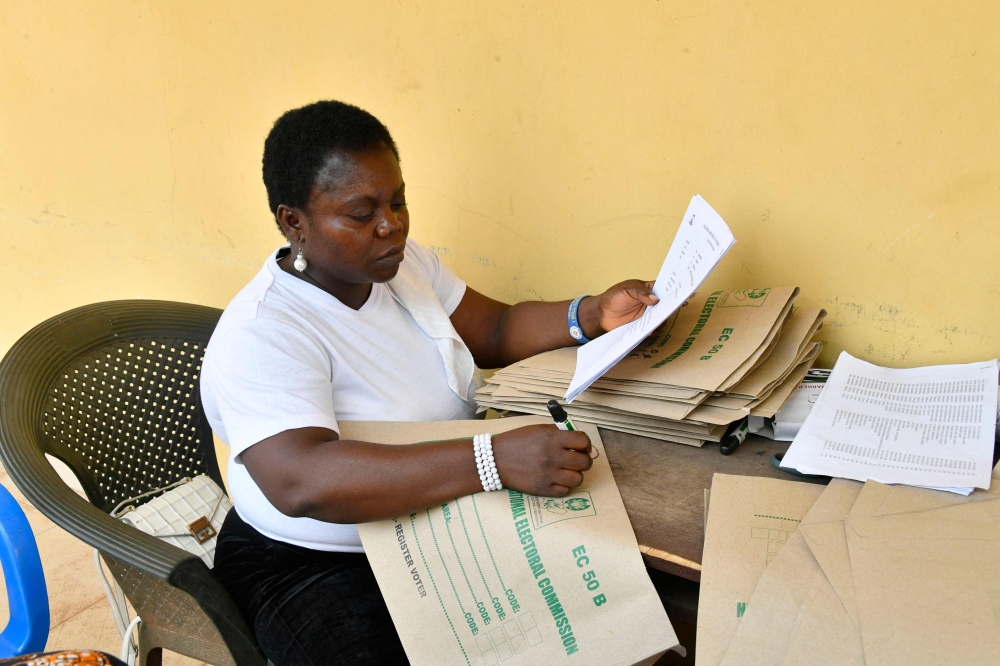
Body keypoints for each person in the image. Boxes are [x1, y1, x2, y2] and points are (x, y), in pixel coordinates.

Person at [202, 100, 660, 666]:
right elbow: (301, 481)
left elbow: (493, 327)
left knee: (618, 624)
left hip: (442, 517)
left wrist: (591, 314)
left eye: (397, 201)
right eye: (360, 213)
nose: (390, 225)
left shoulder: (403, 265)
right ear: (293, 221)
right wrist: (490, 461)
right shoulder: (263, 330)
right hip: (313, 561)